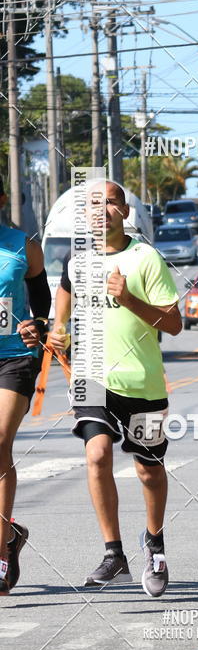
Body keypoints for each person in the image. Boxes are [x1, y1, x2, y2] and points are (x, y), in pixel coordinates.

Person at [48, 181, 181, 595]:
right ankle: (113, 553)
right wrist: (57, 330)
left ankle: (155, 545)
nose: (101, 209)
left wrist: (128, 300)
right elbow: (65, 293)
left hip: (142, 384)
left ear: (125, 212)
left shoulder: (146, 258)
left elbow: (173, 324)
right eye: (92, 204)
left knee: (148, 470)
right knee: (97, 453)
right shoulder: (77, 260)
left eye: (110, 202)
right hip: (93, 380)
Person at [0, 177, 51, 594]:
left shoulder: (22, 244)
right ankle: (13, 534)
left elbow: (42, 301)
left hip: (13, 355)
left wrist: (39, 324)